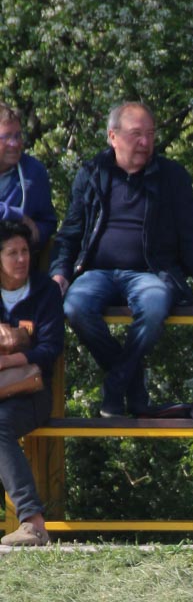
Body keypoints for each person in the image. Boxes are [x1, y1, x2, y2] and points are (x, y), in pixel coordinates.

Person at [48, 102, 193, 418]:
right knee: (74, 307)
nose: (145, 142)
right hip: (97, 272)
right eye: (136, 134)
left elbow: (191, 238)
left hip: (150, 273)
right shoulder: (92, 173)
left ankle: (116, 385)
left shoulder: (171, 176)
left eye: (150, 134)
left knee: (155, 307)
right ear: (113, 136)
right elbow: (70, 232)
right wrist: (60, 273)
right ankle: (132, 383)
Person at [0, 221, 65, 546]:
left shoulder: (45, 291)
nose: (21, 259)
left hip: (32, 392)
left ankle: (33, 523)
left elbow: (50, 349)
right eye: (12, 253)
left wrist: (8, 360)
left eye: (25, 251)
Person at [0, 103, 58, 251]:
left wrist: (32, 233)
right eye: (6, 137)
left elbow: (47, 222)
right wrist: (17, 215)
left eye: (18, 136)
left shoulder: (34, 172)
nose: (14, 144)